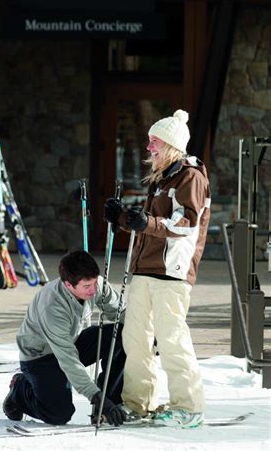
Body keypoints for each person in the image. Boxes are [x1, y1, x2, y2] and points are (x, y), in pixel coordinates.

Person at [104, 109, 211, 428]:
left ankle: (188, 407)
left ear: (171, 145)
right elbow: (149, 225)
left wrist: (146, 222)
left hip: (172, 273)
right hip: (144, 270)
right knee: (135, 339)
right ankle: (138, 402)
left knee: (171, 339)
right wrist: (122, 217)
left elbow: (186, 223)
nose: (148, 147)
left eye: (154, 142)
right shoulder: (161, 179)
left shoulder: (190, 177)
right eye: (149, 141)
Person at [2, 250, 127, 426]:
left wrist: (147, 334)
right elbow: (67, 358)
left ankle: (112, 399)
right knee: (59, 414)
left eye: (94, 283)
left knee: (124, 333)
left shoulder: (96, 284)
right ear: (68, 285)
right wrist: (95, 396)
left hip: (72, 342)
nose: (93, 290)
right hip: (41, 357)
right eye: (86, 287)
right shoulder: (53, 307)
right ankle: (20, 391)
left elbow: (121, 312)